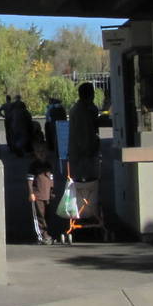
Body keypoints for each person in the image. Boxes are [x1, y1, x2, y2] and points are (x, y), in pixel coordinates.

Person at [63, 81, 106, 238]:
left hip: (76, 156)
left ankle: (79, 215)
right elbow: (88, 134)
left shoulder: (75, 110)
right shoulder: (87, 111)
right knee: (91, 185)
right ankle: (90, 214)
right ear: (90, 95)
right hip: (86, 156)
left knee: (78, 187)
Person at [26, 134, 57, 244]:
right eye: (39, 152)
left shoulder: (48, 165)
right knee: (39, 216)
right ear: (35, 153)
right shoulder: (33, 166)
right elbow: (29, 180)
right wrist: (31, 193)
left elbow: (51, 179)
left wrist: (52, 191)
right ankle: (41, 235)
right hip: (38, 194)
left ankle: (46, 233)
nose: (41, 154)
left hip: (47, 194)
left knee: (47, 215)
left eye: (43, 152)